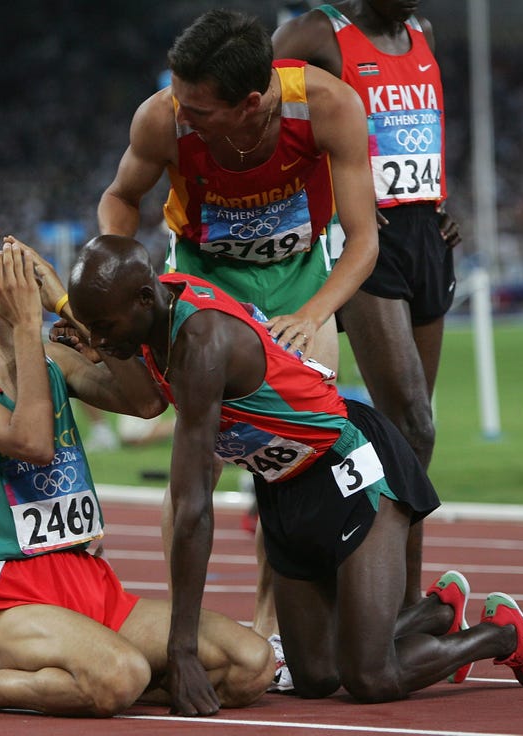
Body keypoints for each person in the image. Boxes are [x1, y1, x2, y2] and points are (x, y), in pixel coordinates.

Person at [68, 234, 523, 714]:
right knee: (315, 676)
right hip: (283, 489)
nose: (99, 341)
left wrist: (183, 650)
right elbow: (143, 399)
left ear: (144, 298)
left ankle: (501, 635)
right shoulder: (155, 317)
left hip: (345, 465)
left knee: (370, 677)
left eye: (104, 326)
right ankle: (436, 613)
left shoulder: (201, 341)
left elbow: (193, 506)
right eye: (91, 329)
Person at [96, 7, 379, 689]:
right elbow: (119, 197)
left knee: (295, 453)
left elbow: (364, 240)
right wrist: (120, 264)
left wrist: (311, 316)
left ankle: (268, 627)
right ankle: (178, 630)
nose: (182, 113)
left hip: (299, 279)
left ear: (251, 102)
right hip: (200, 275)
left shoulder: (330, 105)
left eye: (198, 107)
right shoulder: (162, 118)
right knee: (194, 460)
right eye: (179, 98)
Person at [0, 236, 273, 717]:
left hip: (91, 580)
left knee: (252, 663)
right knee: (122, 675)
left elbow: (145, 403)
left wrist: (64, 301)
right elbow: (34, 444)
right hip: (9, 596)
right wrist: (24, 324)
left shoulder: (51, 360)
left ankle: (99, 676)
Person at [273, 1, 462, 610]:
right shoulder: (313, 33)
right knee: (413, 420)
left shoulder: (421, 32)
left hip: (425, 236)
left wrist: (432, 198)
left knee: (415, 431)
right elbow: (267, 120)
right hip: (365, 239)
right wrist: (332, 194)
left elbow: (420, 123)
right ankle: (391, 600)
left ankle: (400, 592)